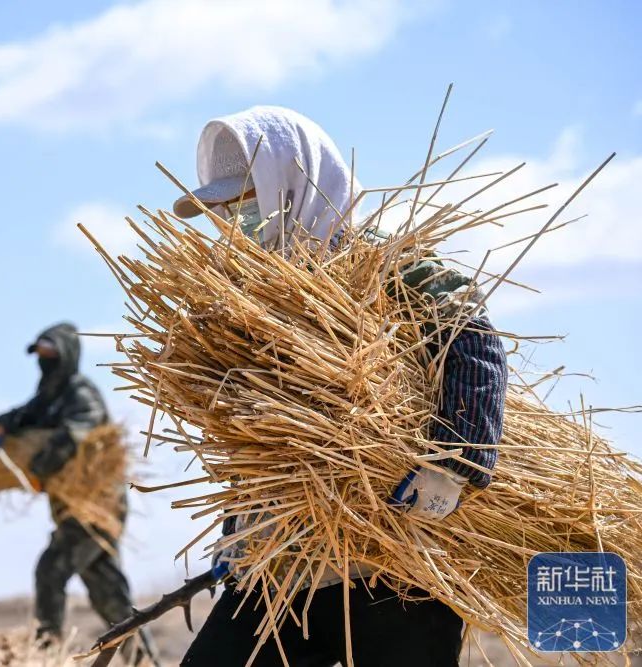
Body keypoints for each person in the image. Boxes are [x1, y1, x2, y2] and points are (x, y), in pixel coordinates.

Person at [171, 107, 508, 666]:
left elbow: (471, 336)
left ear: (292, 180)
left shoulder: (374, 261)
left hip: (394, 565)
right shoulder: (244, 299)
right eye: (224, 210)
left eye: (246, 199)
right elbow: (261, 432)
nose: (236, 220)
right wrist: (238, 530)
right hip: (281, 571)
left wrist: (452, 462)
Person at [0, 322, 159, 665]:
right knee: (110, 596)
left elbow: (73, 436)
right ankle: (146, 663)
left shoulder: (81, 394)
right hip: (71, 509)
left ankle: (47, 655)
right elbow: (25, 414)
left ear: (67, 355)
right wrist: (1, 425)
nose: (43, 360)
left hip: (96, 507)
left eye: (50, 353)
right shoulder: (50, 394)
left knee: (50, 570)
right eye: (39, 354)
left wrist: (38, 469)